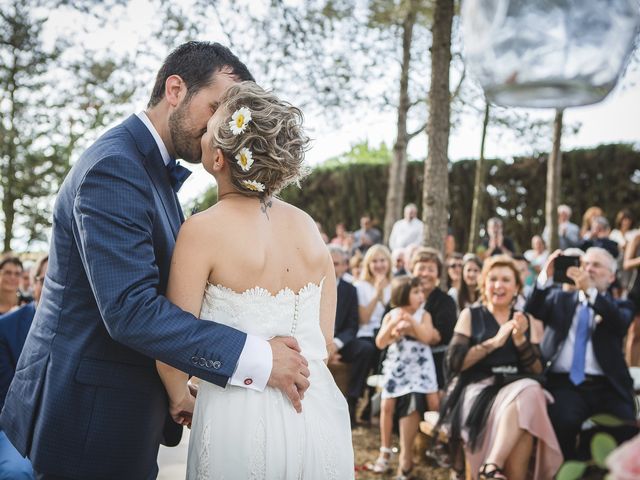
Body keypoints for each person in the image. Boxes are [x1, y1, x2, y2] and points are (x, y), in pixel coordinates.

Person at [0, 42, 309, 480]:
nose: (221, 127)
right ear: (176, 89)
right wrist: (259, 359)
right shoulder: (115, 167)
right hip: (90, 415)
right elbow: (129, 309)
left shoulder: (149, 169)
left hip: (120, 405)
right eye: (216, 106)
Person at [156, 82, 354, 478]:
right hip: (315, 410)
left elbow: (172, 340)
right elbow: (324, 341)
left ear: (217, 158)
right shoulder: (308, 228)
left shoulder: (202, 230)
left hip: (238, 417)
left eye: (209, 129)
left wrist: (180, 395)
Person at [438, 255, 562, 480]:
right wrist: (493, 342)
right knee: (526, 415)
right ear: (484, 284)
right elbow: (455, 364)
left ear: (516, 287)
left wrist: (520, 339)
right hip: (477, 390)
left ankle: (492, 465)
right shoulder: (470, 315)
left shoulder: (526, 320)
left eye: (506, 280)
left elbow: (536, 370)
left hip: (514, 390)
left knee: (530, 390)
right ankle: (491, 467)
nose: (499, 285)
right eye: (493, 279)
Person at [526, 248, 637, 460]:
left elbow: (620, 322)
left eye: (596, 265)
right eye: (584, 264)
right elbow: (533, 307)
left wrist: (591, 292)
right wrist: (545, 276)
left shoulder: (621, 305)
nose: (588, 269)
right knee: (562, 421)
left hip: (607, 386)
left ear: (611, 276)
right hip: (565, 384)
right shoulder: (560, 298)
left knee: (625, 424)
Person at [374, 276, 439, 478]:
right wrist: (394, 326)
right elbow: (380, 342)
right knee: (386, 405)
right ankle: (385, 449)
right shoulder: (391, 314)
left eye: (421, 292)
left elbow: (427, 337)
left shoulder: (424, 315)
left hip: (420, 365)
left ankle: (434, 446)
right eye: (416, 292)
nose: (421, 296)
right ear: (403, 295)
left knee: (433, 402)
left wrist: (410, 323)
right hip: (398, 365)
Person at [0, 255, 47, 479]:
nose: (51, 287)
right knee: (16, 472)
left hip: (70, 425)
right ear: (33, 282)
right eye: (44, 279)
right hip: (20, 423)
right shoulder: (7, 327)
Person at [327, 245, 376, 425]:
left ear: (344, 266)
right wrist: (324, 346)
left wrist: (336, 345)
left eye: (336, 263)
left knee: (366, 349)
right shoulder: (313, 284)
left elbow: (352, 324)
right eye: (329, 262)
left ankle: (352, 400)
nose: (332, 267)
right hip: (313, 341)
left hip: (339, 342)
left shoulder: (350, 289)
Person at [409, 247, 455, 390]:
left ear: (438, 275)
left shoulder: (445, 301)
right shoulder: (400, 297)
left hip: (435, 361)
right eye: (421, 268)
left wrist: (408, 328)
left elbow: (437, 337)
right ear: (412, 271)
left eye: (431, 269)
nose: (425, 274)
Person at [624, 233, 640, 366]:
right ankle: (633, 371)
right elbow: (626, 263)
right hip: (638, 290)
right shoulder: (637, 238)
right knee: (635, 334)